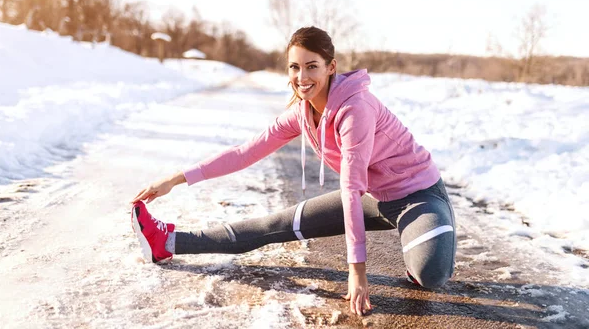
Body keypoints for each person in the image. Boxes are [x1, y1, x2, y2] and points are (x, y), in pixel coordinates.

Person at [130, 26, 456, 317]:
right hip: (374, 197)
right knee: (275, 225)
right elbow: (246, 152)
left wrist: (357, 272)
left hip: (418, 197)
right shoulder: (302, 113)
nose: (302, 77)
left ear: (331, 67)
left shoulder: (355, 109)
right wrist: (177, 178)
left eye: (311, 66)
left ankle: (430, 236)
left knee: (430, 275)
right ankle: (167, 241)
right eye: (295, 67)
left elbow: (351, 188)